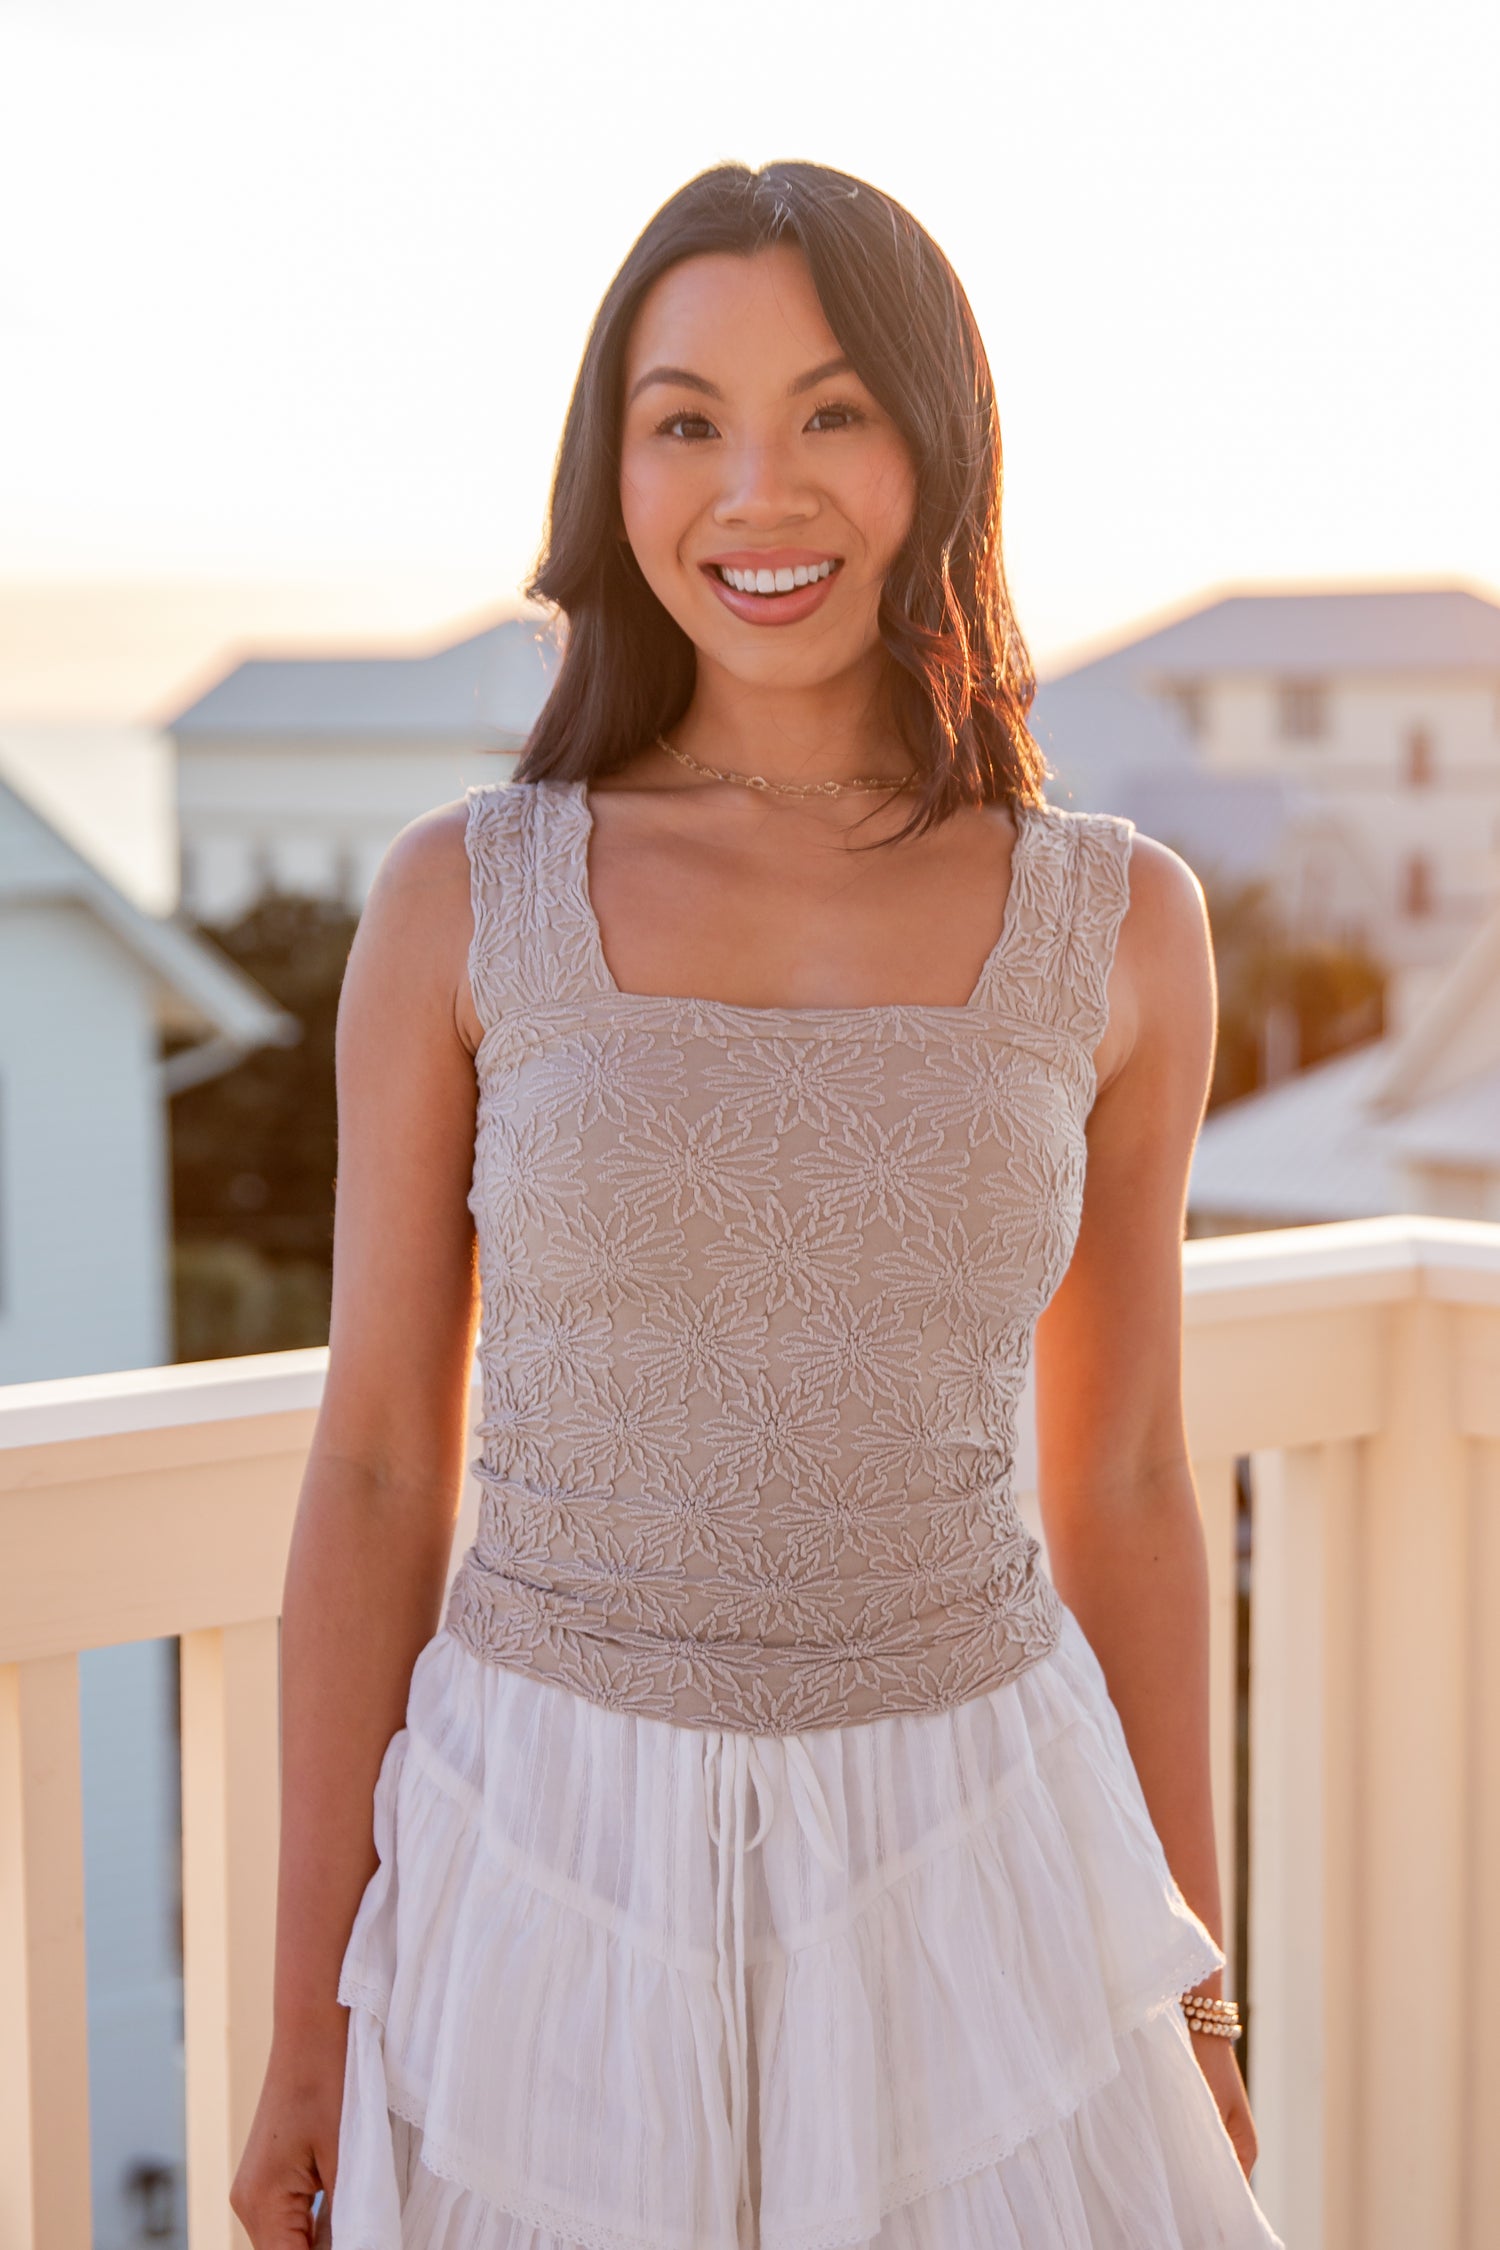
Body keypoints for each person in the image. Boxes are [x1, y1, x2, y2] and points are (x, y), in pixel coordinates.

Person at [231, 159, 1286, 2249]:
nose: (758, 493)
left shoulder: (1122, 927)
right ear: (610, 472)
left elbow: (1140, 1479)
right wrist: (299, 2024)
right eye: (686, 420)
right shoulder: (466, 894)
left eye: (832, 413)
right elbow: (367, 1469)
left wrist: (1207, 1992)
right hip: (542, 1864)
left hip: (979, 1862)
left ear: (937, 443)